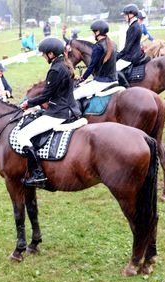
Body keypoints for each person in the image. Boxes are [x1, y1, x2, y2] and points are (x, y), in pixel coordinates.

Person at [18, 37, 81, 187]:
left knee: (23, 135)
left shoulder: (55, 69)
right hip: (70, 108)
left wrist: (28, 103)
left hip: (58, 112)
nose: (43, 56)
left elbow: (46, 96)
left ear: (51, 54)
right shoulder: (65, 64)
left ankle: (38, 174)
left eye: (44, 54)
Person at [73, 20, 118, 100]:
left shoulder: (98, 47)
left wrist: (82, 78)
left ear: (97, 32)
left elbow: (91, 67)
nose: (92, 34)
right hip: (114, 80)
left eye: (93, 32)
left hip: (101, 82)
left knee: (75, 95)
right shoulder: (113, 44)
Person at [116, 3, 142, 72]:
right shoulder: (134, 25)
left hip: (132, 56)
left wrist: (117, 56)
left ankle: (125, 83)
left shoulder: (134, 27)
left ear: (131, 15)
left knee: (114, 69)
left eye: (125, 14)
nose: (124, 16)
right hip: (133, 53)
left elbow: (127, 47)